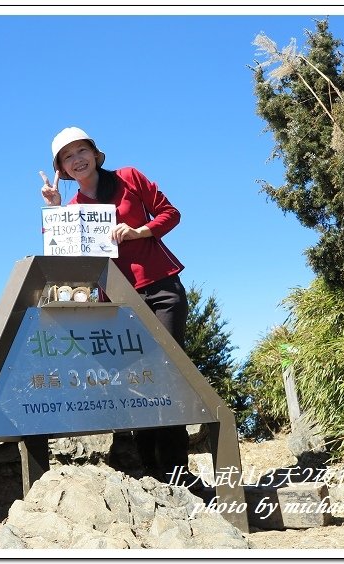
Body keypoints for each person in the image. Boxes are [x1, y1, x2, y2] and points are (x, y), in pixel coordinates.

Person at [39, 126, 203, 492]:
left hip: (161, 288)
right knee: (135, 379)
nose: (77, 159)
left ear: (96, 155)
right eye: (68, 156)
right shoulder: (72, 209)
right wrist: (54, 212)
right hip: (115, 301)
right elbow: (63, 255)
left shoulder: (129, 177)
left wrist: (140, 230)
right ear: (62, 169)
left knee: (167, 372)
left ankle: (177, 470)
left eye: (82, 150)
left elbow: (171, 213)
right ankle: (149, 471)